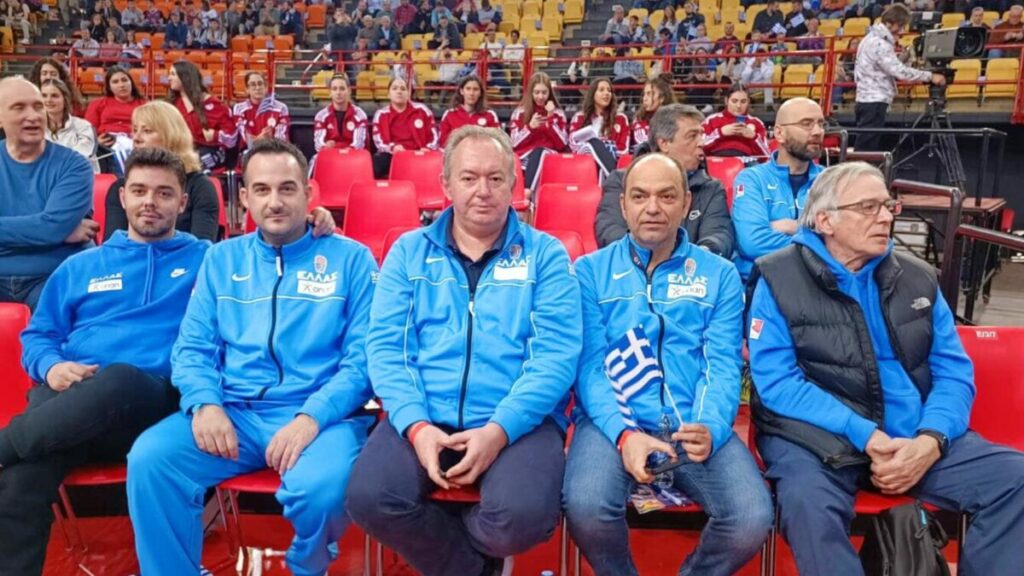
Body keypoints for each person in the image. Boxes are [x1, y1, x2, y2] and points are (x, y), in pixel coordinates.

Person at [747, 161, 1024, 576]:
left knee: (1017, 479)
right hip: (818, 440)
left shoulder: (919, 278)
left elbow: (953, 373)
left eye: (887, 206)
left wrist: (931, 440)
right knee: (808, 506)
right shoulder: (777, 276)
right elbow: (778, 383)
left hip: (913, 437)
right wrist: (865, 434)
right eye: (867, 207)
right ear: (825, 220)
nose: (884, 217)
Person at [126, 139, 374, 576]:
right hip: (234, 414)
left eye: (287, 188)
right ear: (244, 197)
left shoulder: (351, 259)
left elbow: (364, 360)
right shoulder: (221, 258)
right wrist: (205, 404)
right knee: (150, 460)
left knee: (323, 490)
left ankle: (307, 568)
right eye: (261, 189)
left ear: (308, 193)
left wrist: (311, 418)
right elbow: (192, 347)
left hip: (322, 418)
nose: (274, 202)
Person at [346, 126, 582, 576]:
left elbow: (554, 357)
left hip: (518, 423)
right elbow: (387, 349)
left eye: (495, 178)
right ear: (446, 185)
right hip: (425, 414)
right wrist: (417, 427)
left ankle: (457, 545)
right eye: (469, 178)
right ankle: (476, 568)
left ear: (513, 185)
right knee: (369, 498)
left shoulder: (547, 256)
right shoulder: (408, 253)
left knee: (521, 517)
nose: (483, 191)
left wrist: (499, 431)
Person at [0, 148, 207, 576]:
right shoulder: (80, 266)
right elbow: (38, 336)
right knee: (22, 481)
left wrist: (319, 223)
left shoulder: (210, 259)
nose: (150, 202)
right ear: (123, 197)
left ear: (182, 203)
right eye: (140, 191)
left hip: (151, 408)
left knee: (120, 379)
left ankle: (4, 445)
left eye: (164, 193)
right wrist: (52, 367)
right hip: (69, 408)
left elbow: (275, 244)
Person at [565, 153, 773, 576]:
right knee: (586, 506)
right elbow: (590, 369)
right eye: (640, 196)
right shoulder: (588, 272)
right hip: (612, 426)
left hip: (692, 426)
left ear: (685, 204)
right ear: (623, 205)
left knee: (751, 518)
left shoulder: (719, 275)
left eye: (666, 196)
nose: (653, 208)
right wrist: (624, 434)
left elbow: (722, 363)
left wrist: (710, 427)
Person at [0, 78, 94, 310]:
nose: (33, 116)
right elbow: (51, 230)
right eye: (19, 107)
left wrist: (53, 231)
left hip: (54, 274)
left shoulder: (75, 166)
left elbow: (51, 228)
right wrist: (55, 232)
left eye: (38, 106)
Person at [596, 104, 734, 257]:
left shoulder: (711, 188)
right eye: (692, 136)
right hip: (631, 268)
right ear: (664, 143)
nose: (702, 143)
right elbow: (609, 230)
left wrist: (689, 261)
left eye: (702, 135)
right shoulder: (620, 181)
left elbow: (719, 235)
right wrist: (648, 259)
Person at [732, 97, 825, 281]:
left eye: (821, 124)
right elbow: (752, 243)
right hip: (760, 282)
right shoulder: (752, 179)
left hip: (817, 284)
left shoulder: (831, 181)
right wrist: (818, 242)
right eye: (806, 124)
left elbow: (846, 240)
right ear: (779, 133)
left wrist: (791, 227)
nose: (817, 131)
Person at [102, 101, 219, 242]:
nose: (136, 138)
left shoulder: (200, 187)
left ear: (172, 136)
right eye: (135, 130)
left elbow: (203, 248)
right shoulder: (121, 187)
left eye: (147, 131)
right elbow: (113, 246)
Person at [854, 3, 945, 151]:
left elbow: (886, 67)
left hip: (868, 99)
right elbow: (899, 72)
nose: (902, 31)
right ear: (890, 23)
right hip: (873, 101)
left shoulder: (870, 38)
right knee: (866, 148)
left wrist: (904, 58)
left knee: (866, 145)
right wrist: (930, 76)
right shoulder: (879, 43)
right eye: (900, 26)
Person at [167, 60, 237, 171]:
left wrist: (215, 135)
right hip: (184, 151)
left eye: (173, 74)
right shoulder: (174, 104)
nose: (169, 78)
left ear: (185, 77)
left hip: (212, 152)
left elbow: (232, 138)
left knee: (190, 164)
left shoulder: (214, 104)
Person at [509, 71, 569, 192]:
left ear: (549, 93)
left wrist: (550, 119)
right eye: (536, 92)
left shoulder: (558, 113)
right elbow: (513, 143)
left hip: (549, 157)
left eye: (544, 92)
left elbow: (562, 144)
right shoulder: (520, 112)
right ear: (530, 93)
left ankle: (527, 192)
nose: (540, 97)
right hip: (524, 158)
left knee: (539, 152)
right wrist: (530, 128)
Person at [370, 76, 438, 178]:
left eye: (403, 88)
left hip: (419, 153)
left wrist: (428, 148)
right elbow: (378, 141)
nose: (399, 91)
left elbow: (434, 135)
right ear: (388, 94)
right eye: (395, 88)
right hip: (393, 154)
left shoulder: (422, 110)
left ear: (408, 93)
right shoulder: (381, 114)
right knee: (375, 165)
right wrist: (392, 148)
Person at [569, 78, 630, 179]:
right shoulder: (579, 117)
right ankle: (614, 180)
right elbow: (573, 144)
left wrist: (603, 147)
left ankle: (612, 179)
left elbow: (624, 150)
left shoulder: (621, 118)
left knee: (595, 143)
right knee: (593, 143)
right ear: (593, 94)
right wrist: (593, 149)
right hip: (586, 163)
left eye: (609, 91)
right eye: (601, 90)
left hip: (613, 161)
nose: (606, 93)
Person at [85, 66, 145, 164]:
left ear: (131, 82)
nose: (121, 85)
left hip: (136, 146)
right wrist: (97, 143)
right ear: (109, 87)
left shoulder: (144, 104)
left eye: (124, 80)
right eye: (115, 82)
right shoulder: (97, 104)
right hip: (105, 148)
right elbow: (87, 131)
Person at [41, 79, 99, 173]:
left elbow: (79, 158)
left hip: (79, 177)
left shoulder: (84, 127)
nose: (48, 100)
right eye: (44, 96)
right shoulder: (34, 129)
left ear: (65, 99)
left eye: (54, 96)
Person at [702, 83, 770, 158]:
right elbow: (700, 147)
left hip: (747, 160)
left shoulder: (756, 122)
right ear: (726, 101)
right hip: (717, 159)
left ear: (748, 102)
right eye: (734, 101)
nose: (738, 106)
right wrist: (720, 133)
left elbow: (766, 155)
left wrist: (754, 137)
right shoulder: (711, 120)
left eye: (743, 102)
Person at [233, 71, 291, 151]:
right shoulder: (239, 108)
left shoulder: (281, 108)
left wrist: (260, 140)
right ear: (247, 89)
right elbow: (247, 140)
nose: (257, 88)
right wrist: (261, 138)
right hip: (249, 152)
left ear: (266, 87)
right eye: (253, 84)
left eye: (260, 84)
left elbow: (281, 140)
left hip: (274, 152)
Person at [439, 75, 500, 147]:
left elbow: (498, 141)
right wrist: (455, 136)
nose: (471, 93)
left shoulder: (490, 115)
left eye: (475, 89)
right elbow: (442, 142)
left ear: (480, 93)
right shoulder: (449, 114)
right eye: (468, 89)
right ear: (462, 91)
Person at [313, 74, 369, 152]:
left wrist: (343, 153)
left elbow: (359, 144)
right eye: (334, 89)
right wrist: (325, 146)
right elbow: (318, 144)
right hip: (330, 154)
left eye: (342, 89)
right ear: (330, 92)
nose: (338, 92)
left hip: (353, 155)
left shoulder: (359, 115)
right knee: (314, 159)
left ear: (349, 91)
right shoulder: (321, 116)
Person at [631, 75, 675, 150]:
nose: (644, 98)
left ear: (661, 98)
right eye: (644, 94)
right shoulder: (639, 119)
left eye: (649, 94)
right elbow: (641, 142)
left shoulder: (675, 119)